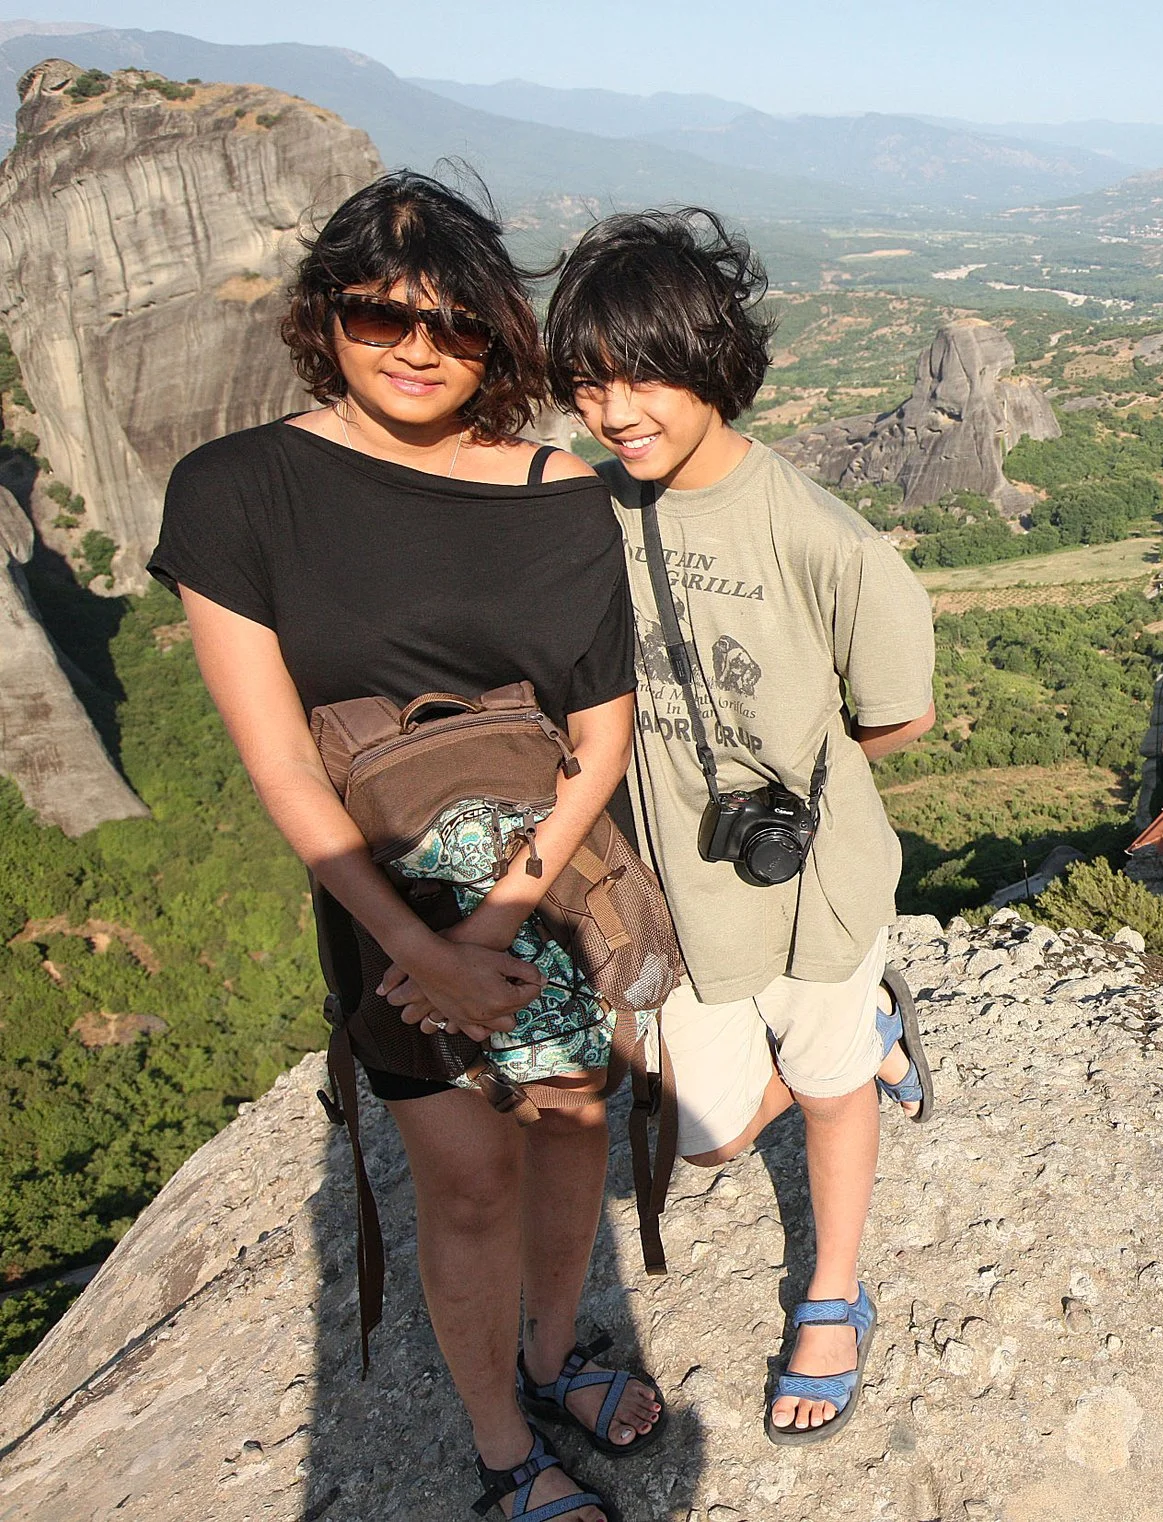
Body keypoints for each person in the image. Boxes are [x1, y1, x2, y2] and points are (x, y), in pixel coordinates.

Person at [153, 171, 657, 1522]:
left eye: (458, 327)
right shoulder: (238, 492)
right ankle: (502, 1444)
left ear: (495, 335)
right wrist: (420, 948)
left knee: (567, 1124)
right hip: (383, 909)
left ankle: (555, 1351)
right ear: (326, 314)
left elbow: (600, 740)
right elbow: (278, 760)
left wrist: (487, 936)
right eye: (383, 317)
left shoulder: (562, 497)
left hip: (547, 889)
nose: (419, 351)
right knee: (469, 1174)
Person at [543, 209, 937, 1443]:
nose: (615, 411)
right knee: (707, 1138)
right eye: (589, 383)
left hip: (810, 881)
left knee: (821, 1087)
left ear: (712, 361)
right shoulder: (590, 511)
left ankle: (833, 1292)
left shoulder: (828, 540)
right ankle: (877, 1041)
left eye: (643, 375)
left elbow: (896, 721)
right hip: (678, 893)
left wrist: (786, 779)